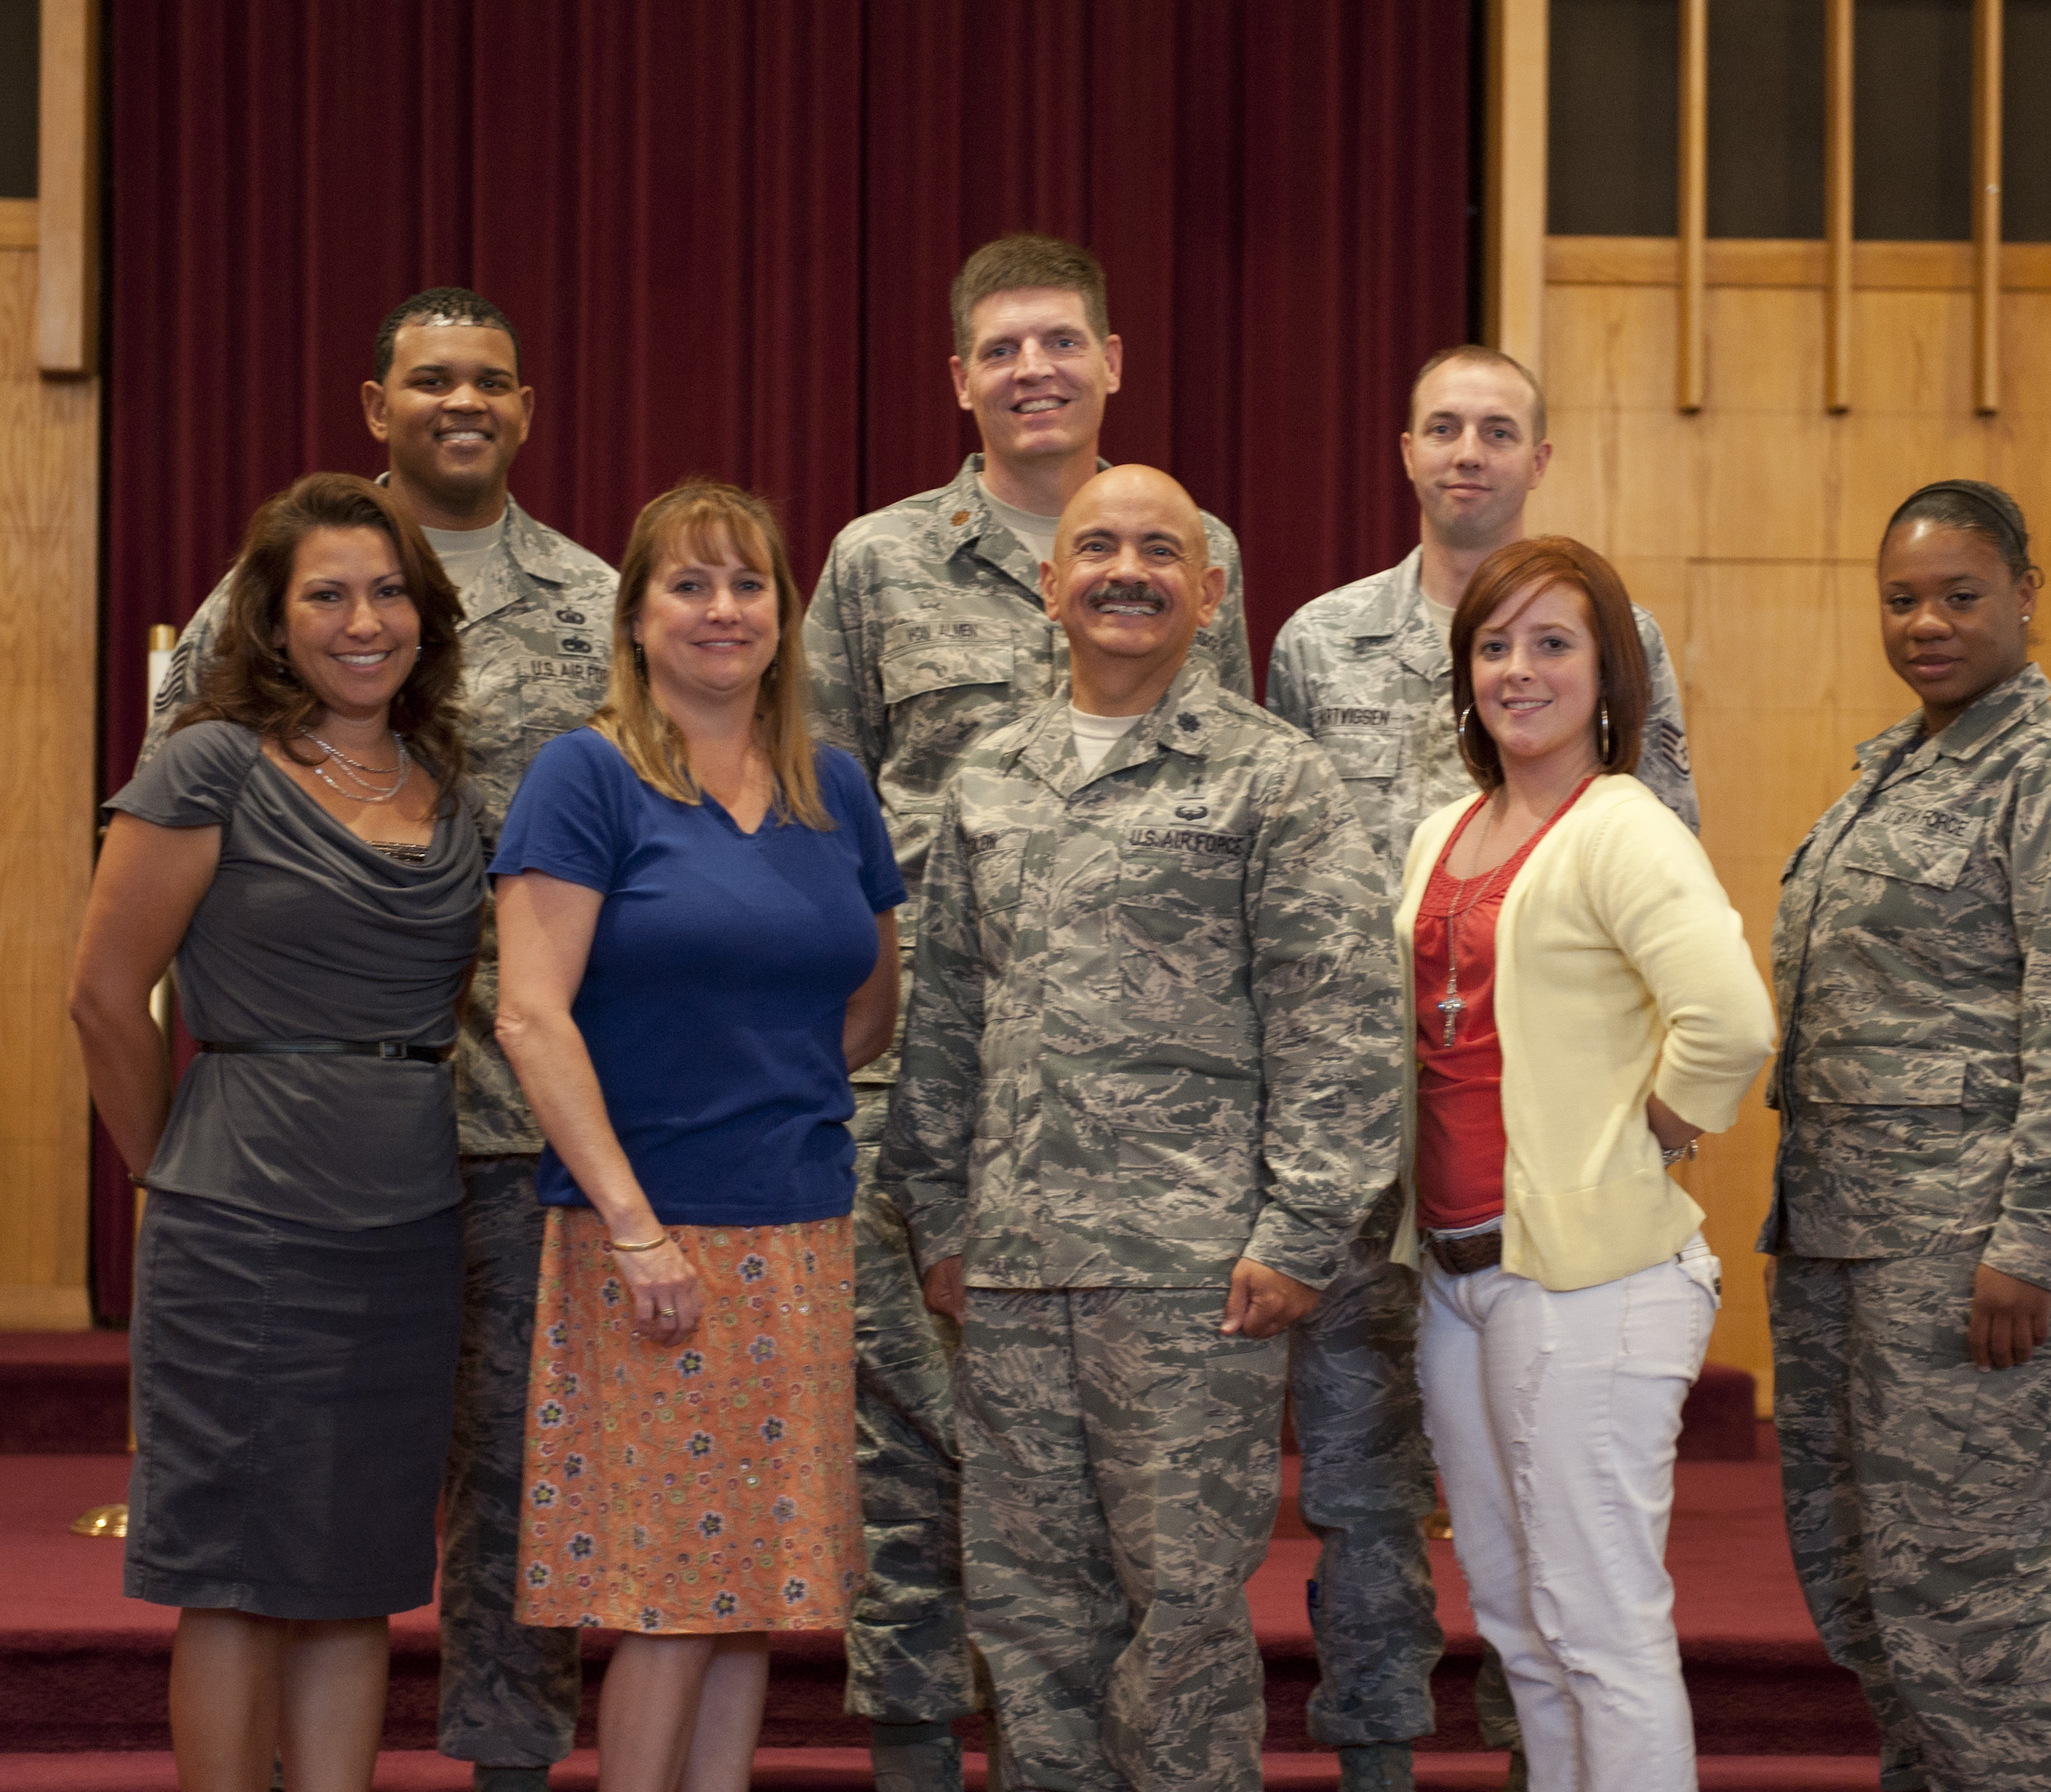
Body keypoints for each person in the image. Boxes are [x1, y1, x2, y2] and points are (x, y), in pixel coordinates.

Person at [146, 287, 616, 1792]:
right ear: (376, 404)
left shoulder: (603, 601)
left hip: (530, 1114)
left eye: (488, 378)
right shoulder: (257, 594)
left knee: (513, 1484)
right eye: (428, 379)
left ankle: (507, 1763)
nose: (458, 402)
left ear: (527, 406)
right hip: (318, 1137)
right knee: (304, 1504)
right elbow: (173, 839)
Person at [802, 233, 1253, 1790]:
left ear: (1111, 361)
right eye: (1000, 350)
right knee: (912, 1446)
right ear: (959, 381)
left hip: (1147, 1111)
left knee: (1126, 1475)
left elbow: (1230, 787)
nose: (1032, 371)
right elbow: (815, 814)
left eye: (1059, 341)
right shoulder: (875, 563)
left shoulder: (1196, 544)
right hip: (924, 1077)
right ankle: (923, 1749)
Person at [880, 464, 1397, 1792]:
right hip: (1011, 1277)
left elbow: (1339, 1023)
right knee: (1032, 1624)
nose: (1125, 570)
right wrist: (937, 1215)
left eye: (1159, 551)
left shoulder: (1275, 780)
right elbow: (943, 1019)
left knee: (1179, 1627)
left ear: (1209, 590)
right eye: (1095, 546)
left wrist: (1298, 1233)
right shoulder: (991, 776)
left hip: (1193, 1284)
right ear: (1048, 586)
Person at [1264, 344, 1701, 1788]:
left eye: (1497, 428)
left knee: (1573, 1573)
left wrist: (1642, 1121)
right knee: (1378, 1500)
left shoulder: (1614, 632)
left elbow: (1672, 914)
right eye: (1443, 426)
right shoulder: (1319, 644)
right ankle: (1379, 1758)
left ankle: (1545, 1765)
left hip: (1547, 1193)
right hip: (1373, 1174)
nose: (1468, 451)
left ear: (1536, 458)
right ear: (1402, 451)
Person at [70, 473, 486, 1792]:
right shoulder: (207, 763)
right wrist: (169, 1166)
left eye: (387, 592)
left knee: (357, 1572)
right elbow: (101, 994)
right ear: (272, 616)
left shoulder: (447, 781)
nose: (362, 620)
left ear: (425, 615)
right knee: (238, 1574)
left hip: (412, 1215)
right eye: (327, 594)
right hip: (240, 1215)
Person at [1763, 480, 2051, 1792]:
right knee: (1872, 1600)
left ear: (2025, 597)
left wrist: (2034, 1246)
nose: (1928, 622)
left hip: (1972, 1271)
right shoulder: (1891, 772)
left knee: (1973, 1615)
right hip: (1845, 1250)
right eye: (1902, 599)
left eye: (1960, 595)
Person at [492, 480, 901, 1792]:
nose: (722, 610)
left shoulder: (832, 785)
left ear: (786, 616)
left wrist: (754, 1093)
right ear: (638, 615)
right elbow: (531, 1016)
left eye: (748, 586)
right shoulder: (587, 775)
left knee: (750, 1600)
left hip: (799, 1224)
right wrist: (637, 1220)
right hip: (648, 1242)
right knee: (669, 1600)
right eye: (689, 584)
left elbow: (870, 1002)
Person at [1399, 535, 1772, 1792]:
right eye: (1495, 645)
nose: (1518, 670)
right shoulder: (1443, 827)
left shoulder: (1623, 825)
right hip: (1457, 1278)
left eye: (1552, 643)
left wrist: (1651, 1134)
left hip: (1591, 1279)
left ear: (1608, 672)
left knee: (1599, 1623)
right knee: (1515, 1621)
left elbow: (1731, 1019)